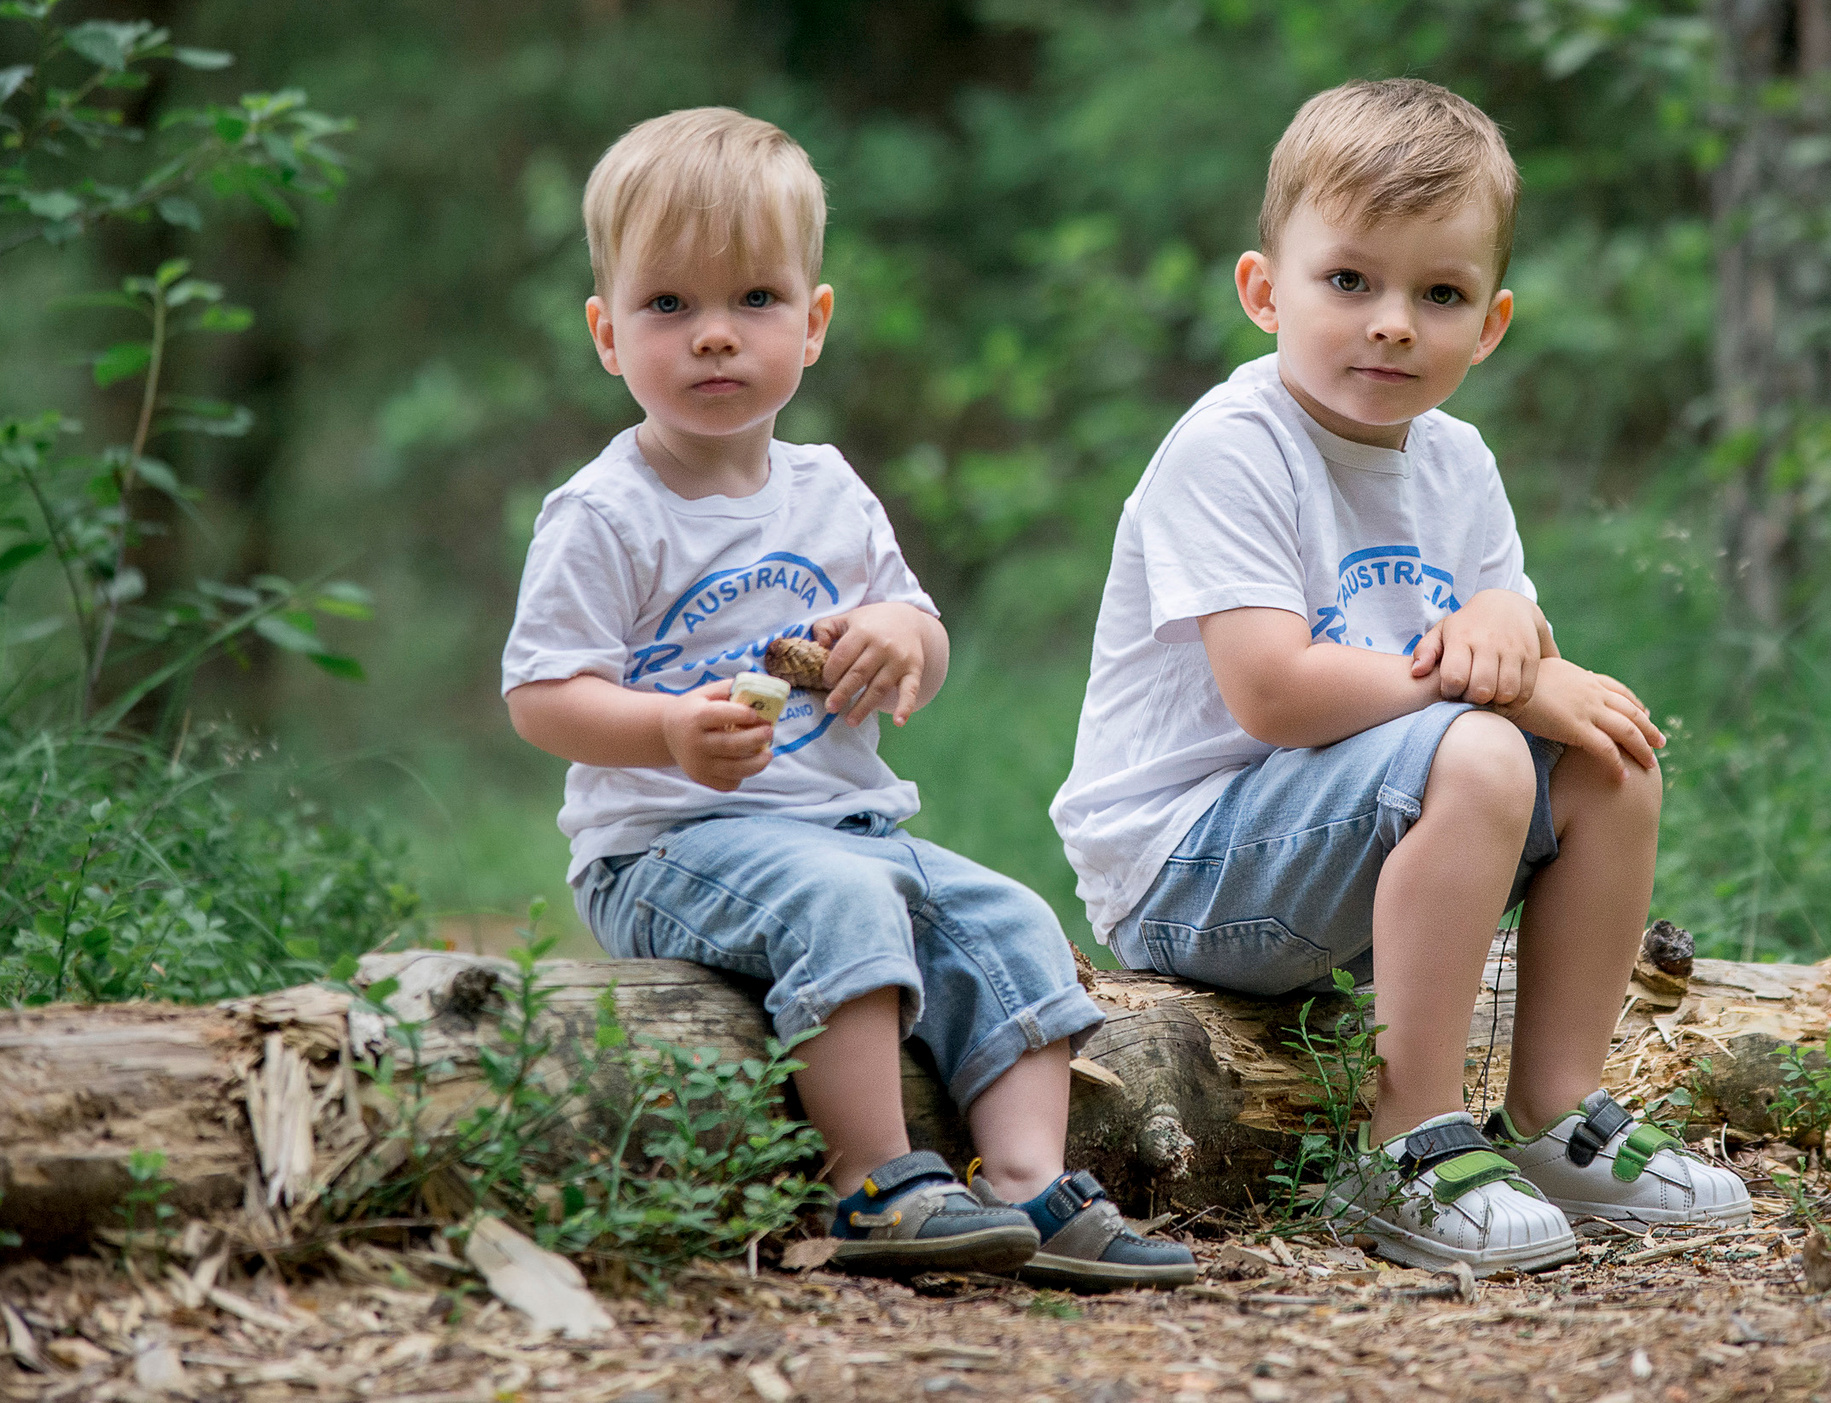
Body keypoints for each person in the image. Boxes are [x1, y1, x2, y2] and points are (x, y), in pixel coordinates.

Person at [1050, 79, 1748, 1273]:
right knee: (1483, 746)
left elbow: (1512, 647)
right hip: (1189, 864)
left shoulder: (1456, 461)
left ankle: (1551, 1117)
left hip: (1348, 842)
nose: (1391, 324)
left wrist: (1505, 626)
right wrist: (1502, 681)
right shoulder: (1233, 449)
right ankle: (1405, 1143)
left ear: (1491, 322)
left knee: (1608, 760)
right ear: (1263, 290)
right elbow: (1271, 695)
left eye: (1439, 294)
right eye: (1348, 282)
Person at [502, 107, 1191, 1290]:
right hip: (665, 848)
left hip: (852, 830)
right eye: (669, 306)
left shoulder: (828, 488)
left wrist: (897, 637)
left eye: (756, 301)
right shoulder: (605, 511)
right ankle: (872, 1179)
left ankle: (1027, 1184)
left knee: (1013, 922)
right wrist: (664, 730)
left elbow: (919, 635)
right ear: (606, 333)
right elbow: (542, 696)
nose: (715, 337)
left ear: (812, 325)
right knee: (840, 906)